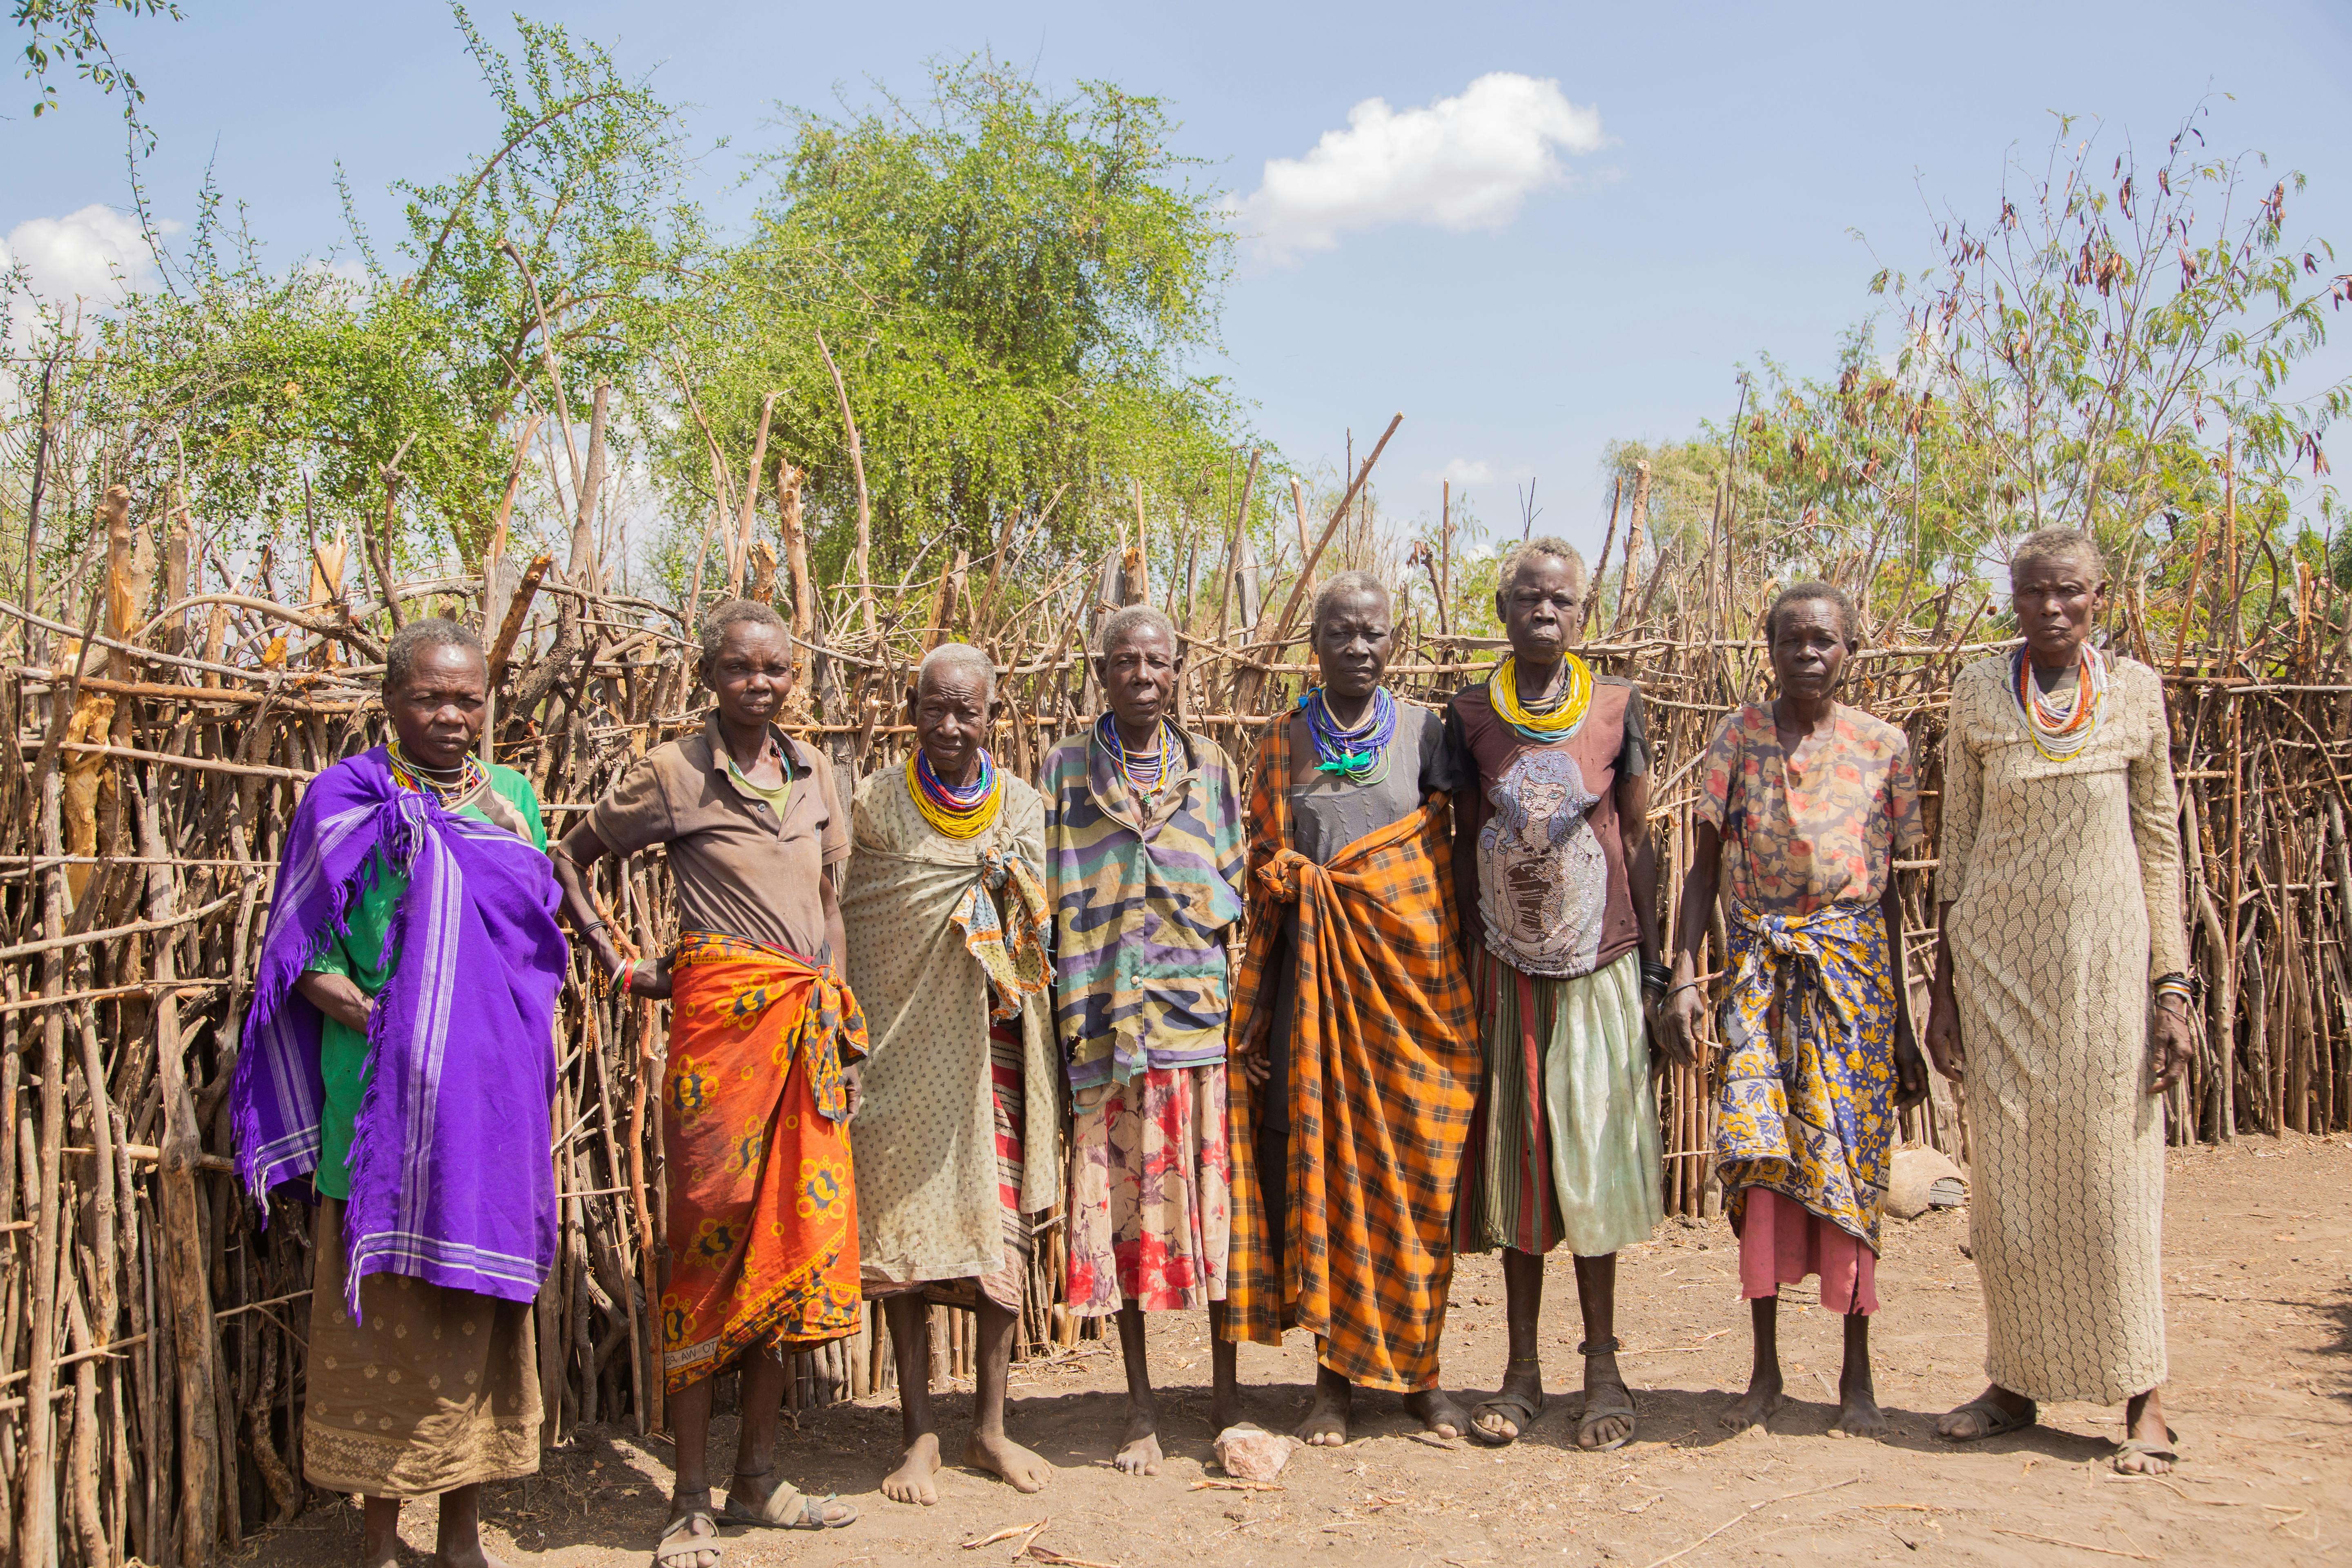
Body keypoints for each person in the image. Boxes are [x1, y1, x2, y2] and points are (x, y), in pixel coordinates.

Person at [233, 618, 567, 1568]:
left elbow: (534, 940)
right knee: (376, 1318)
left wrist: (514, 847)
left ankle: (460, 1539)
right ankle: (382, 1545)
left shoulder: (510, 799)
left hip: (484, 1108)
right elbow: (302, 957)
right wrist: (402, 1029)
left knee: (471, 1313)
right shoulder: (343, 799)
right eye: (431, 697)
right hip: (379, 1108)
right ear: (390, 703)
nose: (453, 716)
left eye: (469, 698)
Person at [552, 599, 863, 1565]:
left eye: (774, 670)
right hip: (717, 1058)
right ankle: (689, 1495)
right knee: (702, 1263)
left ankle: (757, 1481)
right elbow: (570, 856)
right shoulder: (674, 776)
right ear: (709, 675)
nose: (759, 685)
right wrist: (618, 964)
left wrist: (841, 1016)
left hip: (804, 1043)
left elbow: (827, 902)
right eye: (739, 670)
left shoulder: (816, 774)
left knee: (778, 1256)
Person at [1925, 529, 2195, 1476]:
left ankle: (2144, 1394)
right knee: (2008, 1194)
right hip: (1998, 970)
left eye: (2069, 593)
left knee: (2115, 1182)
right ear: (2014, 598)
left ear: (2097, 597)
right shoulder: (1974, 693)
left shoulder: (2136, 695)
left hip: (2107, 973)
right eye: (2034, 592)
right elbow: (1956, 844)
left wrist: (2173, 987)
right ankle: (2015, 1381)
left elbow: (2159, 845)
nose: (2051, 608)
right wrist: (1944, 989)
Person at [1662, 581, 1931, 1439]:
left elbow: (1892, 897)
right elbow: (1702, 870)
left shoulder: (1885, 748)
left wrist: (1908, 1024)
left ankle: (1857, 1379)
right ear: (1768, 647)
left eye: (1826, 641)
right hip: (1760, 975)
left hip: (1855, 982)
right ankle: (1765, 1372)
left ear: (1851, 650)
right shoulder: (1737, 739)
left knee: (1851, 1169)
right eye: (1794, 640)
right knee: (1760, 1165)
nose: (1810, 654)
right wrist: (1682, 975)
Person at [1216, 572, 1479, 1445]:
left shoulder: (1427, 736)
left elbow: (1447, 869)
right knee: (1324, 1183)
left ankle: (1422, 1377)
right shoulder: (1284, 742)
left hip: (1412, 1002)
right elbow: (1262, 870)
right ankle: (1332, 1382)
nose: (1359, 649)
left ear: (1392, 643)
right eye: (1342, 633)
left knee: (1417, 1185)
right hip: (1315, 1004)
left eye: (1374, 634)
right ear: (1315, 644)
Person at [1444, 537, 1667, 1451]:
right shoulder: (1465, 716)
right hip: (1507, 969)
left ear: (1584, 614)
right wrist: (1465, 963)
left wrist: (1656, 968)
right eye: (1528, 600)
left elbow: (1642, 842)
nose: (1545, 612)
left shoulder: (1617, 707)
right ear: (1502, 612)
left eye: (1562, 601)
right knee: (1523, 1164)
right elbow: (1460, 848)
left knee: (1592, 1163)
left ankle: (1604, 1366)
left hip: (1601, 967)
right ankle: (1522, 1370)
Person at [840, 642, 1060, 1504]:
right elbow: (863, 923)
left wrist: (996, 891)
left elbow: (1032, 925)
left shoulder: (1023, 807)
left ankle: (992, 1429)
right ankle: (919, 1434)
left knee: (1000, 1242)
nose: (949, 725)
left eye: (967, 710)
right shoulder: (875, 806)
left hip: (993, 1047)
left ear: (992, 714)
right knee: (904, 1248)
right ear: (910, 706)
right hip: (900, 1054)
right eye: (934, 707)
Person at [1041, 604, 1245, 1475]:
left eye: (1157, 662)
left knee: (1215, 1224)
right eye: (1125, 661)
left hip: (1195, 1027)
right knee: (1123, 1228)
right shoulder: (1062, 775)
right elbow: (1041, 898)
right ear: (1101, 672)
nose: (1143, 676)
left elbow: (1233, 889)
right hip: (1103, 1031)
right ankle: (1139, 1407)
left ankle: (1229, 1398)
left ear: (1179, 670)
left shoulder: (1211, 771)